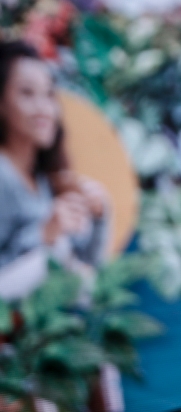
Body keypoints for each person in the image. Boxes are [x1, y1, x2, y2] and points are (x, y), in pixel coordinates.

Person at [0, 41, 108, 299]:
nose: (43, 109)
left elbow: (90, 262)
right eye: (27, 94)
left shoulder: (44, 178)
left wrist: (99, 213)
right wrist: (43, 234)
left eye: (49, 94)